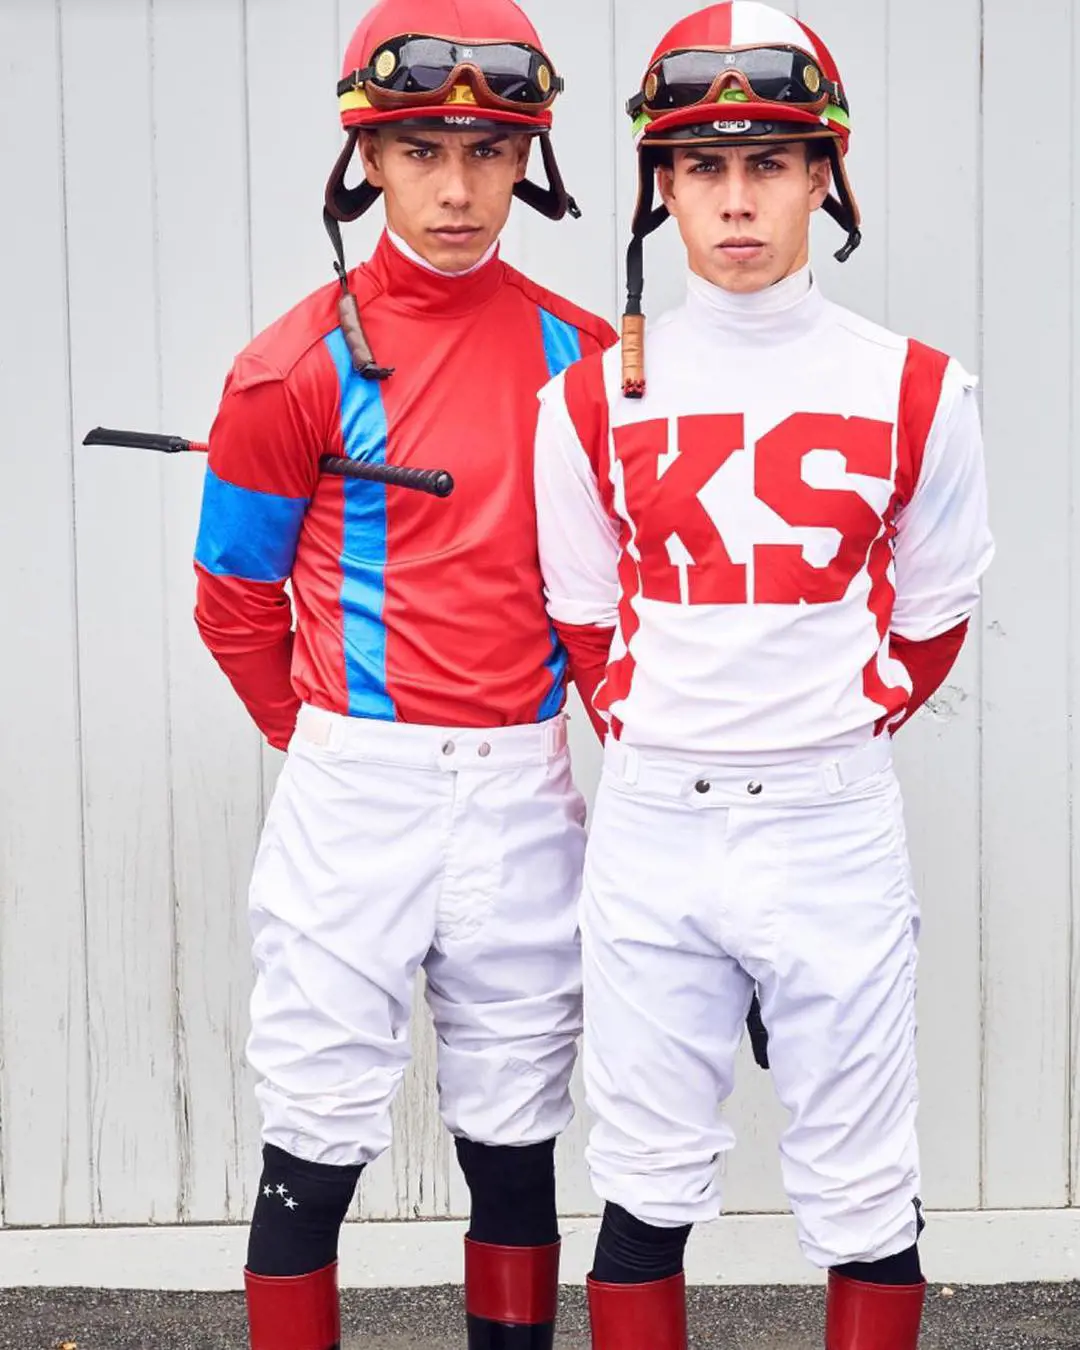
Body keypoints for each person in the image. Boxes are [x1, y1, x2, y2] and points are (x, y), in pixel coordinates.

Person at [532, 4, 993, 1347]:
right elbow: (582, 610)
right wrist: (660, 724)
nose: (736, 200)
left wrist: (829, 724)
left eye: (770, 164)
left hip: (831, 820)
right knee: (642, 1179)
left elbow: (941, 602)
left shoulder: (917, 386)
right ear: (661, 184)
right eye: (705, 167)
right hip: (657, 819)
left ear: (820, 177)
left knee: (865, 1187)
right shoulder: (586, 397)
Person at [193, 3, 616, 1347]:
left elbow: (620, 610)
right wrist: (319, 735)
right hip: (354, 785)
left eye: (488, 152)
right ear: (366, 158)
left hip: (525, 779)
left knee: (514, 1132)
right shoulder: (286, 367)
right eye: (422, 148)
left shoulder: (593, 362)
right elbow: (230, 599)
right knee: (314, 1131)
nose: (454, 185)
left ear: (526, 162)